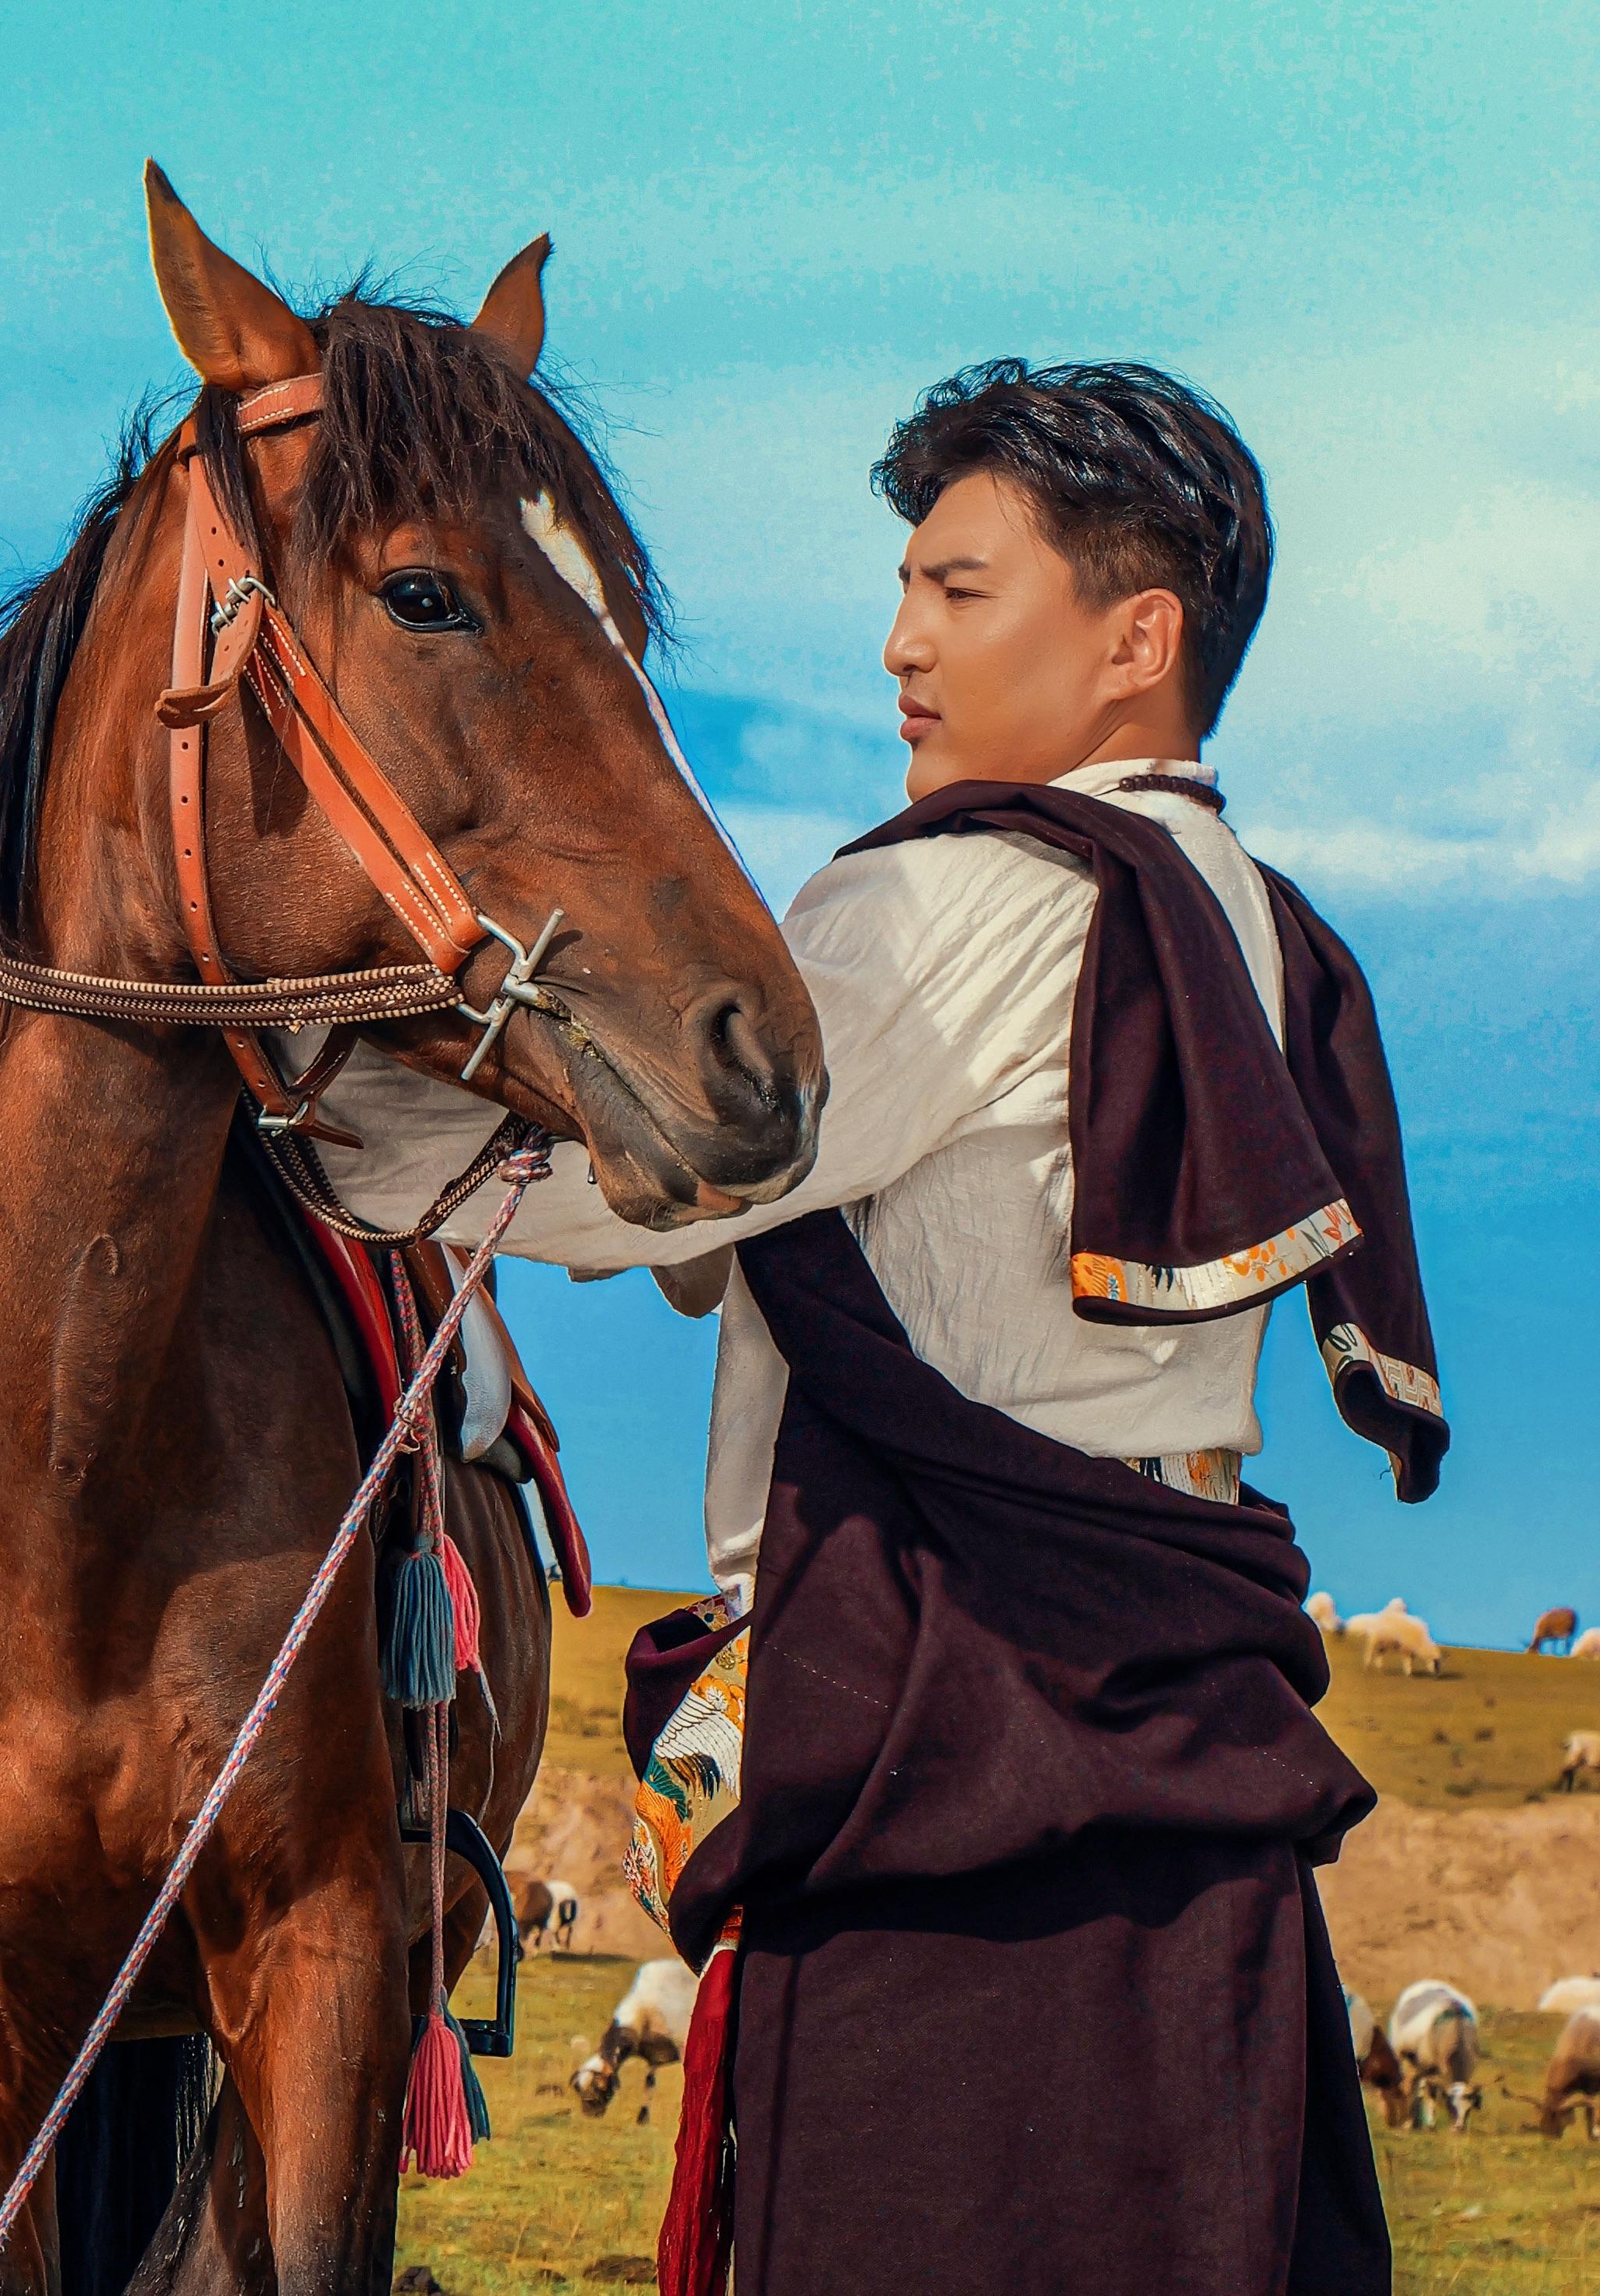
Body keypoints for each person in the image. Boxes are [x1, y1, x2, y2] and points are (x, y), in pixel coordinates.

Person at [309, 359, 1444, 2296]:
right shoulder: (1253, 913)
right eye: (908, 589)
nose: (898, 642)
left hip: (953, 1743)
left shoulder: (951, 900)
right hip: (1179, 1760)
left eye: (962, 590)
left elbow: (633, 1190)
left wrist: (303, 1103)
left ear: (1135, 638)